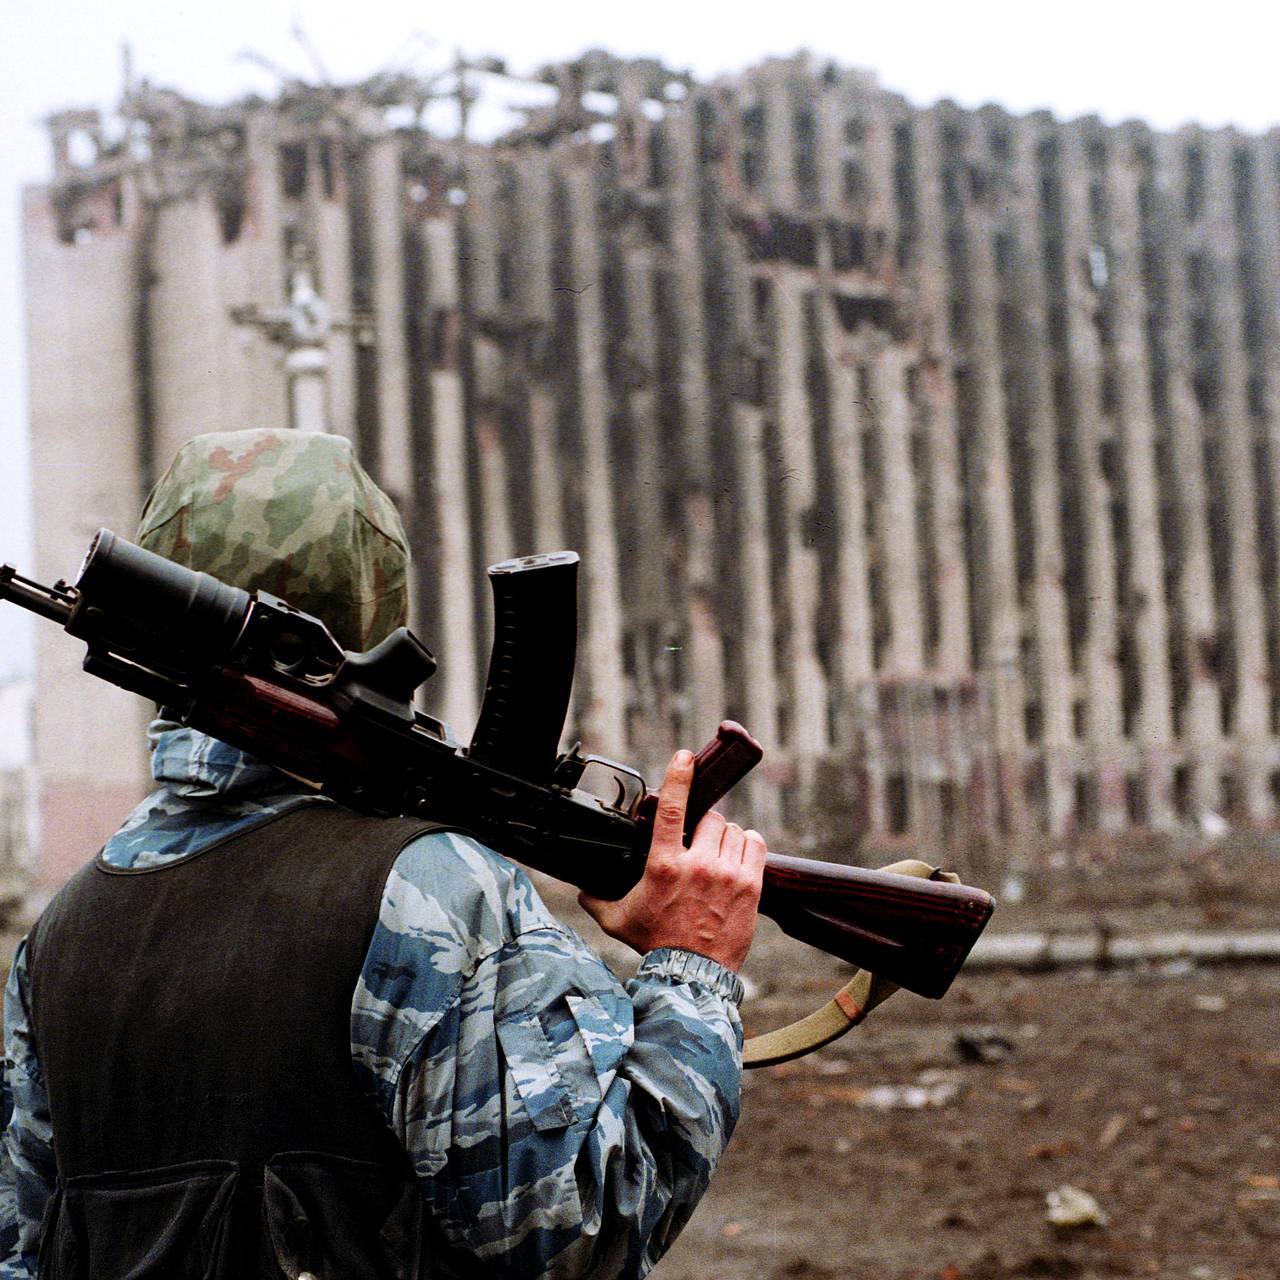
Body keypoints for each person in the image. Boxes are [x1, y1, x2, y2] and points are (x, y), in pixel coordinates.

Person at [0, 428, 767, 1279]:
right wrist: (691, 970)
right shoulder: (431, 892)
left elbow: (21, 1250)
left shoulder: (60, 935)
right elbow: (587, 1230)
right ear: (376, 607)